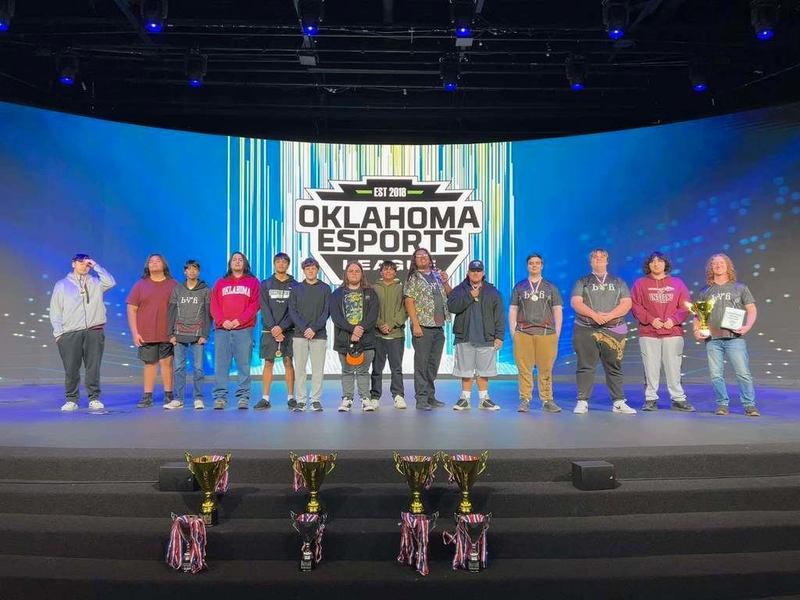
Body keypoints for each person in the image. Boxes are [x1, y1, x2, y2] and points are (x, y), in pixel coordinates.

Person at [570, 249, 635, 415]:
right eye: (594, 257)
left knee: (614, 366)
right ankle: (582, 401)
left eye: (602, 257)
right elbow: (576, 302)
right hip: (585, 329)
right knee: (585, 366)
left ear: (607, 260)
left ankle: (619, 402)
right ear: (590, 262)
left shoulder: (618, 281)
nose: (598, 259)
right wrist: (594, 315)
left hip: (614, 329)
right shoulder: (582, 281)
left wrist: (610, 316)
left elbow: (627, 303)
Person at [693, 253, 759, 417]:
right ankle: (722, 404)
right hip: (712, 339)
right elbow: (698, 315)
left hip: (734, 338)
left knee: (743, 373)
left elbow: (751, 308)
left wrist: (747, 326)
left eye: (721, 262)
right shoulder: (705, 290)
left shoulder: (740, 288)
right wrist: (696, 331)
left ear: (728, 266)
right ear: (711, 268)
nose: (718, 265)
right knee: (716, 375)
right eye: (714, 263)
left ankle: (749, 405)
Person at [49, 253, 116, 411]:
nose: (84, 265)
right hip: (70, 333)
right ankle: (71, 399)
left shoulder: (96, 283)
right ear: (73, 264)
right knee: (71, 368)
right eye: (80, 262)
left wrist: (96, 266)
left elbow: (111, 282)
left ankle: (94, 398)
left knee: (93, 367)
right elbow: (55, 310)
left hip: (94, 330)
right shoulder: (62, 285)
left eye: (87, 263)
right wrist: (58, 334)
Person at [630, 251, 694, 412]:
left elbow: (686, 305)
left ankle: (678, 399)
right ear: (648, 265)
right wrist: (652, 320)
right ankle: (651, 399)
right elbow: (635, 306)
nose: (656, 264)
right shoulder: (640, 283)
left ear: (665, 264)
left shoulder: (677, 283)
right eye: (652, 261)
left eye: (659, 261)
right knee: (650, 366)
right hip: (648, 332)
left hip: (672, 332)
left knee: (674, 367)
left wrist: (672, 320)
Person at [508, 253, 563, 413]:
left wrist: (557, 332)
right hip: (523, 333)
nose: (534, 265)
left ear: (542, 266)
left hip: (547, 333)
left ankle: (547, 400)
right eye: (531, 263)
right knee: (524, 369)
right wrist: (514, 332)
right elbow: (513, 309)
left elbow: (557, 310)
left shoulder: (551, 287)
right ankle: (525, 399)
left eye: (537, 263)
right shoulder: (520, 287)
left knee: (545, 369)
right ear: (527, 266)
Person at [447, 260, 504, 411]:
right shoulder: (460, 289)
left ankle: (484, 399)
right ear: (468, 273)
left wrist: (499, 336)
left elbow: (498, 315)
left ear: (483, 273)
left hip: (486, 337)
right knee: (465, 370)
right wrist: (470, 296)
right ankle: (464, 399)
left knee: (484, 370)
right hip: (465, 336)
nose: (475, 273)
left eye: (478, 271)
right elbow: (452, 307)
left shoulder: (492, 291)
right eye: (472, 270)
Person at [210, 252, 260, 410]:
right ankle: (220, 397)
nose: (237, 262)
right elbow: (214, 305)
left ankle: (243, 397)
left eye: (240, 260)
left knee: (244, 365)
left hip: (244, 329)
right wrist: (223, 321)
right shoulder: (220, 283)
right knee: (221, 365)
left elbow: (255, 305)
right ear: (230, 264)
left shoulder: (253, 282)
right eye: (234, 260)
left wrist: (239, 321)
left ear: (245, 263)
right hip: (222, 330)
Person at [127, 254, 178, 408]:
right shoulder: (140, 285)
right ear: (147, 266)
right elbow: (131, 309)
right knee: (149, 364)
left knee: (167, 364)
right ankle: (147, 396)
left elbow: (180, 310)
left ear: (164, 265)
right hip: (146, 333)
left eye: (157, 261)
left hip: (167, 333)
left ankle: (169, 395)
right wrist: (135, 332)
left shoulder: (173, 285)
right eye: (151, 261)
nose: (154, 263)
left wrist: (176, 332)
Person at [404, 247, 452, 410]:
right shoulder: (414, 278)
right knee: (422, 364)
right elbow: (409, 301)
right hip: (423, 326)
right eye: (418, 256)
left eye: (425, 255)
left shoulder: (438, 275)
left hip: (439, 326)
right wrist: (415, 324)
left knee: (433, 364)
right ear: (415, 261)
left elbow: (450, 295)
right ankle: (421, 399)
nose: (422, 258)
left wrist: (445, 281)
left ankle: (430, 396)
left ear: (430, 259)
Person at [331, 262, 379, 412]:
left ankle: (365, 399)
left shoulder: (370, 293)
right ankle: (347, 399)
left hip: (366, 339)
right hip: (344, 338)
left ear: (361, 274)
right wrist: (353, 330)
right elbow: (336, 317)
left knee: (364, 371)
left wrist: (360, 330)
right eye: (350, 271)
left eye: (357, 271)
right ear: (346, 274)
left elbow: (373, 315)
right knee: (347, 370)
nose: (353, 273)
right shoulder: (337, 294)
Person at [167, 259, 211, 410]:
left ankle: (198, 398)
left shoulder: (205, 290)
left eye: (195, 269)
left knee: (198, 368)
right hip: (179, 335)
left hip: (198, 335)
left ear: (198, 272)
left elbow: (207, 314)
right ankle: (178, 399)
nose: (192, 272)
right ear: (185, 272)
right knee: (179, 368)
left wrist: (205, 334)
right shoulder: (177, 289)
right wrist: (170, 334)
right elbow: (171, 312)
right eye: (189, 269)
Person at [288, 257, 331, 412]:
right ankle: (300, 400)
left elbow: (326, 311)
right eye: (308, 268)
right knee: (299, 369)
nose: (311, 271)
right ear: (303, 271)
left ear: (317, 270)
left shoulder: (326, 288)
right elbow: (292, 311)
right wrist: (305, 328)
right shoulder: (296, 288)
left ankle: (315, 400)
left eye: (313, 268)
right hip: (299, 335)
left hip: (318, 335)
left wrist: (313, 328)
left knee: (317, 369)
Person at [256, 252, 296, 411]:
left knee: (288, 362)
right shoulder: (265, 284)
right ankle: (265, 398)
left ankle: (291, 397)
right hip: (269, 330)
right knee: (268, 363)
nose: (281, 264)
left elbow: (294, 310)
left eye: (284, 262)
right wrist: (273, 327)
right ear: (274, 264)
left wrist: (282, 327)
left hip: (288, 330)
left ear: (288, 265)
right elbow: (264, 308)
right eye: (278, 261)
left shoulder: (295, 285)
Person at [370, 260, 408, 409]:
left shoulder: (402, 288)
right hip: (378, 335)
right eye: (385, 270)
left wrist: (391, 324)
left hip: (396, 335)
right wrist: (380, 325)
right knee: (376, 368)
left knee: (396, 368)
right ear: (381, 272)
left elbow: (405, 309)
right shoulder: (373, 288)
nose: (388, 272)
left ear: (395, 272)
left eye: (391, 270)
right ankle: (375, 397)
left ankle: (398, 396)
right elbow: (371, 309)